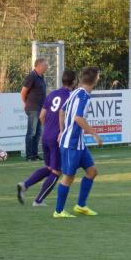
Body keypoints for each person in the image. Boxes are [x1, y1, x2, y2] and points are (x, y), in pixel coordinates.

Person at [17, 70, 77, 206]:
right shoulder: (71, 96)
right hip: (57, 138)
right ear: (74, 82)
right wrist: (60, 132)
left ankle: (25, 185)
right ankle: (38, 200)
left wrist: (49, 129)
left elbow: (41, 116)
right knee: (56, 171)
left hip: (46, 136)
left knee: (50, 168)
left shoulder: (52, 94)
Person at [53, 67, 103, 218]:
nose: (99, 79)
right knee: (68, 177)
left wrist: (61, 131)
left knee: (92, 171)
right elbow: (78, 118)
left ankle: (80, 205)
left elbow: (62, 111)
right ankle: (59, 211)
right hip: (71, 145)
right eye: (98, 77)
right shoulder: (83, 96)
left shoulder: (76, 92)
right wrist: (94, 133)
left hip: (79, 144)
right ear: (94, 80)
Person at [21, 58, 48, 161]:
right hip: (33, 108)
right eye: (45, 65)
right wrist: (26, 103)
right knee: (31, 132)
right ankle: (29, 156)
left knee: (37, 132)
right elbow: (23, 92)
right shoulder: (31, 76)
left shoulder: (41, 76)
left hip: (40, 108)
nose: (47, 67)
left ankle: (34, 154)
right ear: (39, 65)